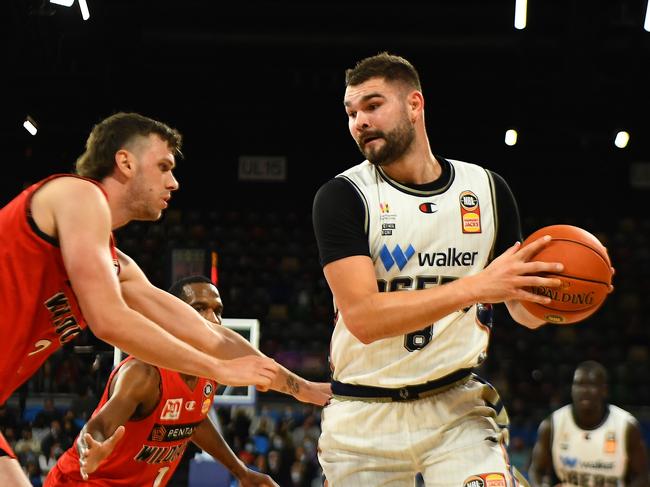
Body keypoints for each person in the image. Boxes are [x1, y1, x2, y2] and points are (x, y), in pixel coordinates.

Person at [0, 112, 328, 486]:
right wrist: (218, 369)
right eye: (164, 166)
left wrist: (304, 389)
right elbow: (110, 321)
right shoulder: (76, 194)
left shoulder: (117, 266)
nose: (174, 182)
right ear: (125, 162)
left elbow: (214, 337)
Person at [311, 51, 568, 485]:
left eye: (373, 106)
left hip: (457, 409)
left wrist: (558, 298)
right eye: (351, 112)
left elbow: (520, 310)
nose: (359, 121)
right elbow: (365, 319)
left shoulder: (487, 190)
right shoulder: (342, 196)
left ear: (415, 105)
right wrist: (475, 287)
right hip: (363, 417)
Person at [45, 275, 283, 486]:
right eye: (199, 308)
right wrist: (90, 447)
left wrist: (241, 472)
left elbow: (192, 421)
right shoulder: (144, 373)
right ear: (171, 317)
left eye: (217, 311)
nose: (214, 320)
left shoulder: (210, 375)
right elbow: (100, 426)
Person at [528, 360, 649, 486]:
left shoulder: (626, 426)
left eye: (591, 385)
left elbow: (642, 476)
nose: (584, 390)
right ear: (571, 389)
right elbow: (536, 470)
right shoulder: (552, 425)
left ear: (604, 390)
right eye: (578, 384)